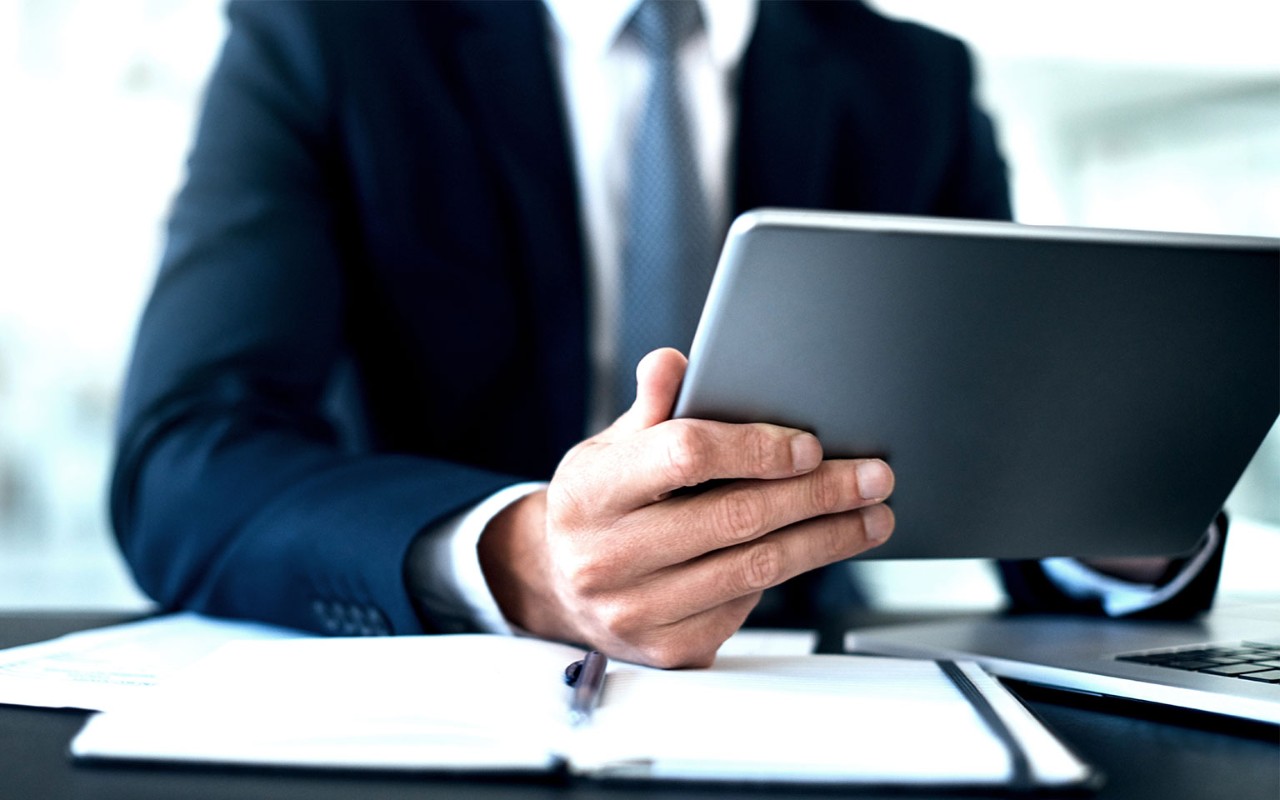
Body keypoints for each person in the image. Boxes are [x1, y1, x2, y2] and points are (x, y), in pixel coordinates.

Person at [111, 0, 1224, 669]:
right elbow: (185, 455)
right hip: (445, 679)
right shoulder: (328, 38)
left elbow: (1005, 438)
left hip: (815, 686)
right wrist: (519, 558)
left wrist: (1121, 504)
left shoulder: (909, 81)